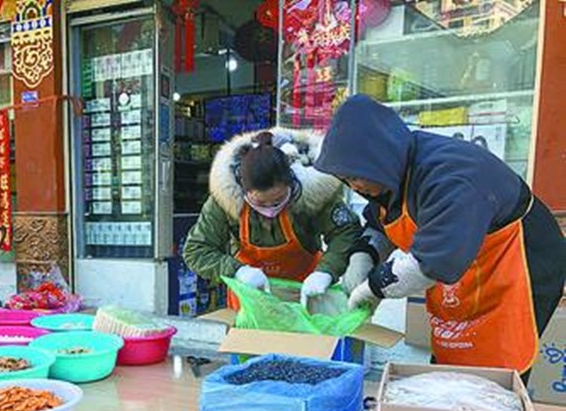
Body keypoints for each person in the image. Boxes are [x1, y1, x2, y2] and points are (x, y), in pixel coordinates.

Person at [315, 94, 566, 375]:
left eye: (355, 177)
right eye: (346, 180)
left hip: (515, 261)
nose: (354, 186)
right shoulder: (390, 174)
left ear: (380, 159)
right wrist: (364, 255)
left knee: (495, 369)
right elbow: (382, 222)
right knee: (453, 351)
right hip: (461, 270)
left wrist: (374, 287)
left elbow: (434, 263)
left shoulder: (450, 178)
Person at [182, 129, 366, 308]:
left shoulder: (312, 196)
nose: (270, 209)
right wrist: (237, 270)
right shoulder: (225, 200)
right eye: (260, 203)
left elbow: (347, 232)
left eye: (278, 200)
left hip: (304, 300)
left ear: (292, 183)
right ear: (243, 190)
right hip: (250, 304)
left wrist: (326, 271)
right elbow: (196, 250)